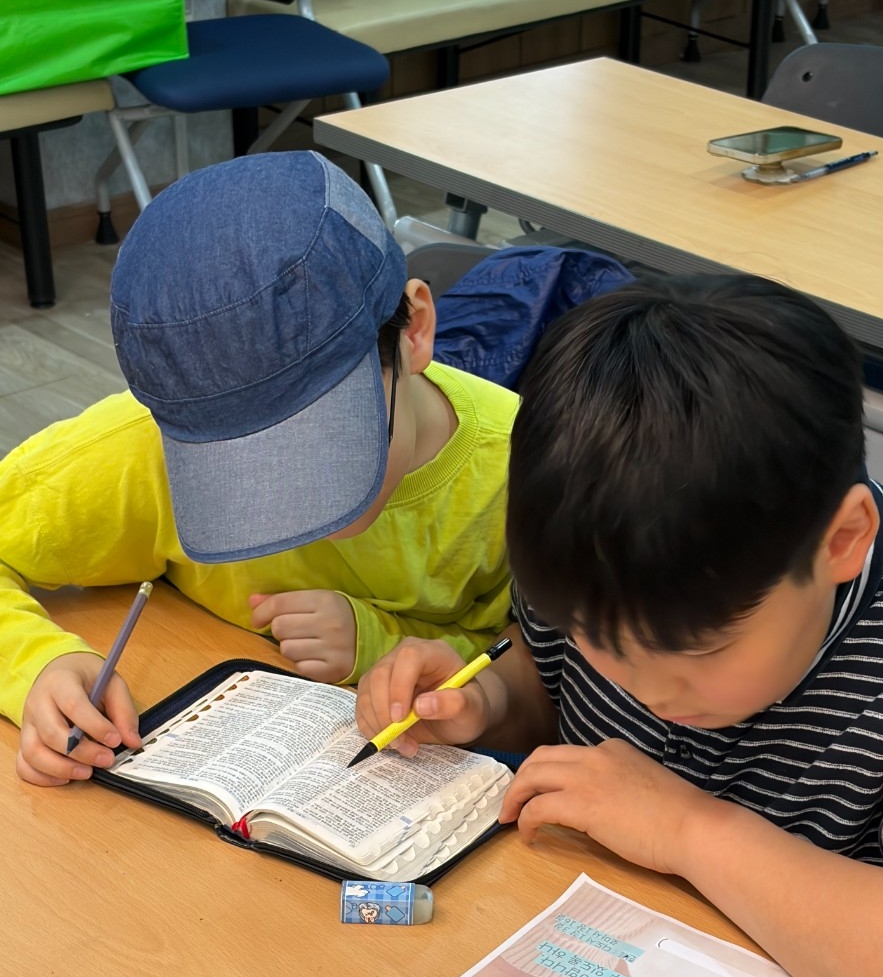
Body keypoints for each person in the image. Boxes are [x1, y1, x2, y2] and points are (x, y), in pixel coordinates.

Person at [355, 273, 883, 977]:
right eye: (594, 638)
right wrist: (491, 701)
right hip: (611, 969)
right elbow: (554, 689)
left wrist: (686, 828)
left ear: (842, 542)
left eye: (697, 653)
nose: (641, 690)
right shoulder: (595, 542)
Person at [4, 150, 517, 787]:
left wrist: (379, 640)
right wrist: (39, 666)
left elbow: (540, 671)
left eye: (329, 444)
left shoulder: (528, 471)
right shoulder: (140, 449)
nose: (301, 503)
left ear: (413, 331)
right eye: (241, 468)